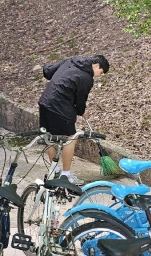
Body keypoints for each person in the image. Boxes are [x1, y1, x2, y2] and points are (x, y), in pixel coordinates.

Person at [38, 55, 109, 185]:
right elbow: (80, 100)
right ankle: (66, 175)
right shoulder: (87, 78)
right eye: (101, 72)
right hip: (60, 106)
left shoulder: (72, 60)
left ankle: (54, 170)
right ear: (97, 65)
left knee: (49, 136)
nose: (99, 75)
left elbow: (48, 72)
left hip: (45, 101)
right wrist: (82, 111)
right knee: (71, 138)